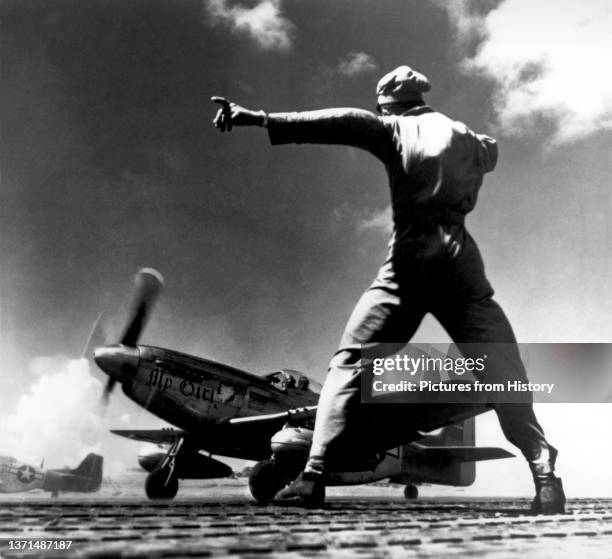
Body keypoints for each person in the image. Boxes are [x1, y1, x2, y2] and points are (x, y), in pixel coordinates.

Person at [211, 65, 566, 514]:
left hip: (412, 257)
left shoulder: (391, 126)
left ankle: (313, 475)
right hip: (462, 260)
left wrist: (257, 117)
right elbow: (490, 153)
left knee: (350, 362)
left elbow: (336, 122)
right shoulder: (467, 138)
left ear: (386, 102)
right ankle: (544, 471)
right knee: (502, 370)